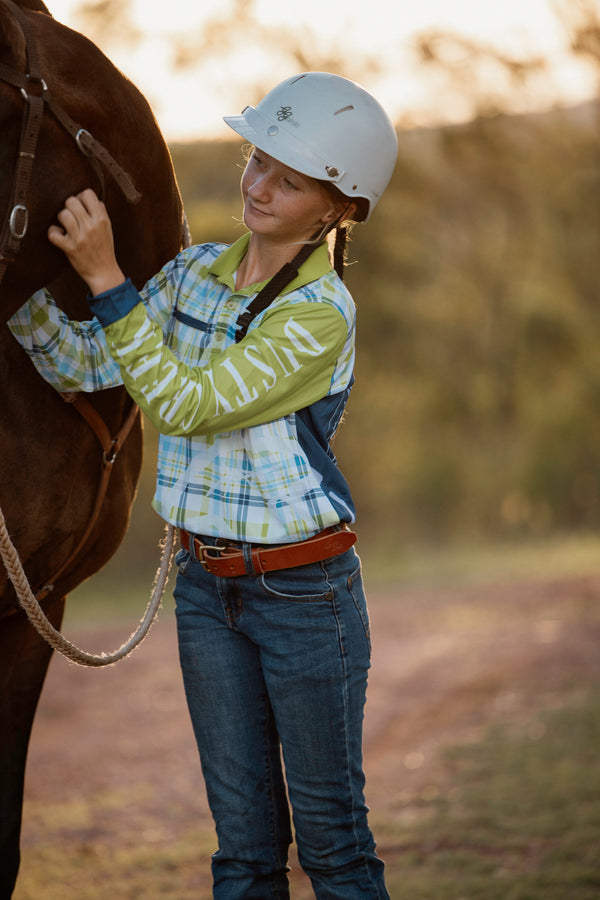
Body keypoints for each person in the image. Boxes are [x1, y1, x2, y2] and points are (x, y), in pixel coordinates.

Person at [9, 71, 398, 899]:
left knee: (334, 850)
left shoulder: (321, 316)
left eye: (290, 180)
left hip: (304, 595)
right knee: (243, 856)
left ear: (339, 209)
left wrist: (109, 279)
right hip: (205, 591)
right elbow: (84, 362)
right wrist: (20, 293)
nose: (258, 185)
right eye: (259, 159)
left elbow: (187, 404)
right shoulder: (190, 276)